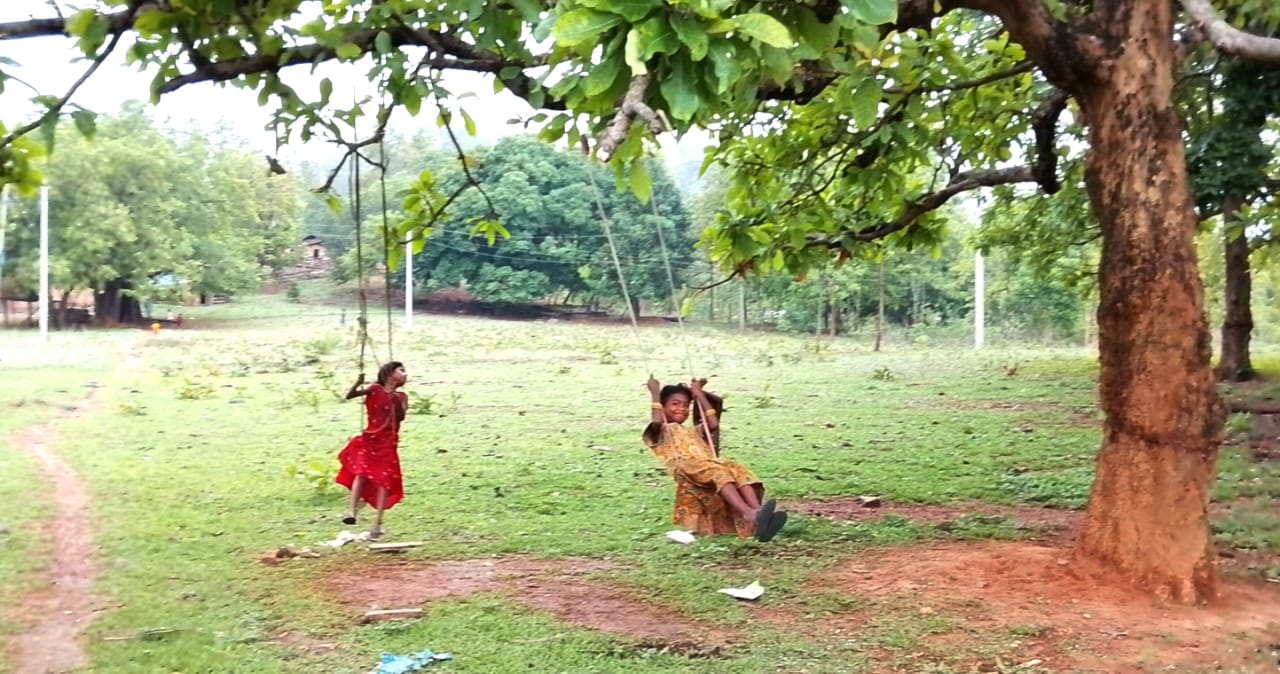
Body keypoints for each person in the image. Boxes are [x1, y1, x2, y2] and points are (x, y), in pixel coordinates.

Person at [643, 377, 787, 542]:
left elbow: (713, 424)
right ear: (663, 406)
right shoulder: (662, 430)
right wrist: (655, 392)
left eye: (685, 405)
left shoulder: (693, 431)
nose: (681, 409)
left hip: (706, 464)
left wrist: (699, 394)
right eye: (675, 404)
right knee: (718, 471)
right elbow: (656, 420)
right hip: (687, 466)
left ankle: (759, 514)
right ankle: (747, 514)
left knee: (735, 468)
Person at [336, 361, 408, 540]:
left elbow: (401, 416)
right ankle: (351, 512)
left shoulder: (402, 396)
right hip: (369, 440)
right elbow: (350, 395)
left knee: (384, 480)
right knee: (361, 473)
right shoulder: (374, 389)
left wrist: (394, 397)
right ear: (389, 373)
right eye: (401, 370)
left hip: (387, 443)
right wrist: (358, 382)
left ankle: (377, 523)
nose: (405, 374)